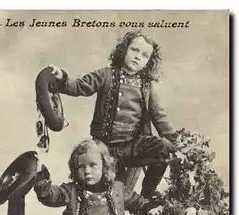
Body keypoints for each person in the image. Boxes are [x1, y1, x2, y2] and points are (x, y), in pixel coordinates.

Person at [49, 29, 178, 198]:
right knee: (113, 196)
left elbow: (159, 116)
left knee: (165, 148)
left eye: (145, 55)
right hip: (104, 148)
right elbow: (80, 86)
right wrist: (62, 78)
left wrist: (176, 142)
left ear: (149, 62)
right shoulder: (106, 75)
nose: (138, 57)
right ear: (124, 50)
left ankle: (148, 191)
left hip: (132, 146)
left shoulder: (147, 85)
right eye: (134, 50)